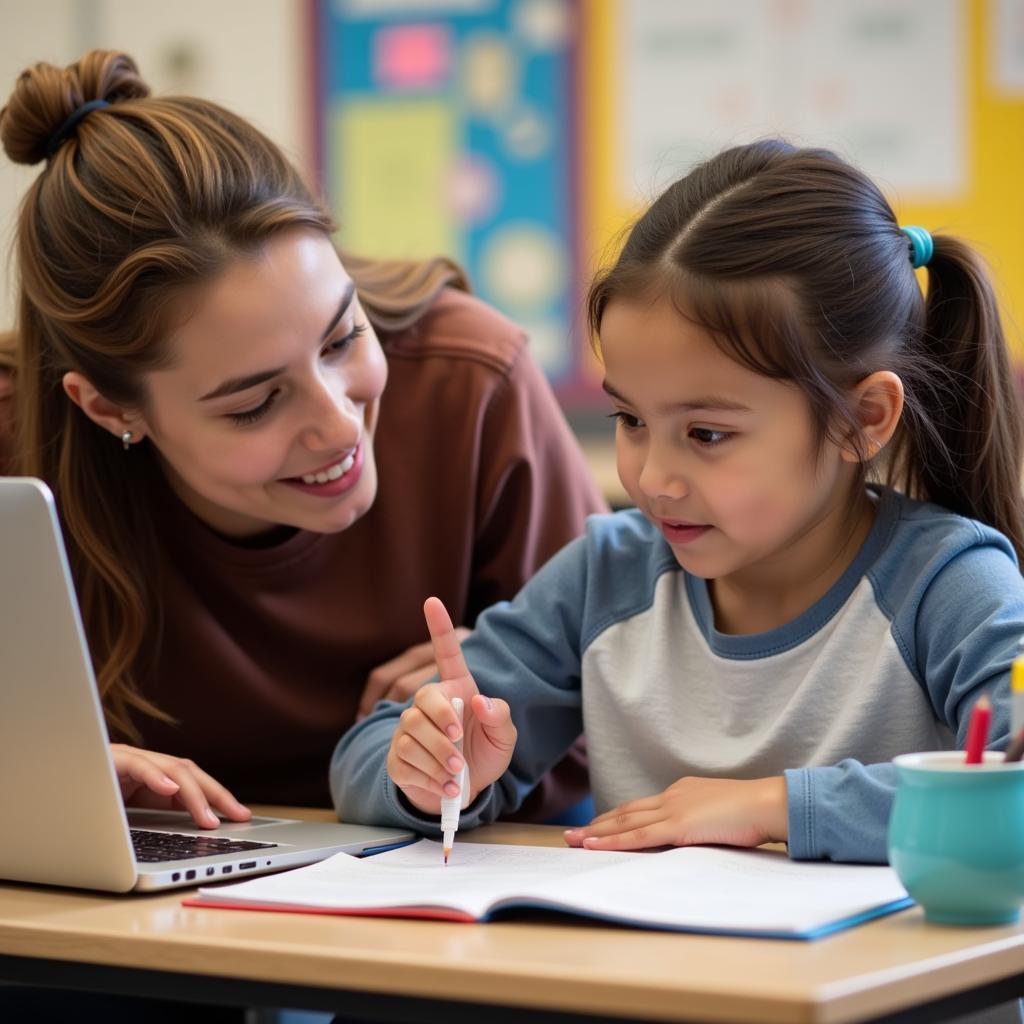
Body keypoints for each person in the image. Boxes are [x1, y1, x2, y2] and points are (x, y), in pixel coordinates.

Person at [332, 138, 1023, 866]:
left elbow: (1011, 785)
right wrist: (432, 769)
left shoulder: (947, 583)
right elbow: (361, 762)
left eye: (707, 433)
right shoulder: (609, 575)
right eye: (630, 420)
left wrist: (772, 806)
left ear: (863, 420)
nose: (655, 477)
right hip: (657, 976)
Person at [0, 49, 604, 830]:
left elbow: (621, 723)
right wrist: (43, 775)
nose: (337, 422)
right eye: (254, 403)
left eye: (342, 337)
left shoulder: (471, 380)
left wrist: (511, 695)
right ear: (110, 409)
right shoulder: (19, 439)